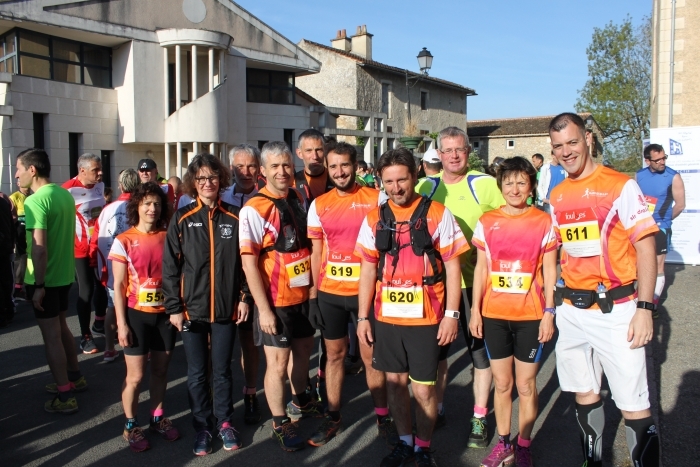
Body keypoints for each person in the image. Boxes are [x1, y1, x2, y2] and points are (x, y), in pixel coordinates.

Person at [548, 112, 659, 467]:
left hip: (616, 310)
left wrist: (645, 308)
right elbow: (558, 251)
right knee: (585, 392)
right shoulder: (557, 195)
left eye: (572, 142)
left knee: (633, 403)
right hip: (572, 310)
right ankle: (592, 462)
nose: (566, 151)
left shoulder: (619, 185)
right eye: (558, 146)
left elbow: (646, 246)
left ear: (588, 139)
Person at [356, 148, 468, 467]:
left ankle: (423, 448)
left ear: (415, 175)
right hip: (387, 317)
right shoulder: (374, 218)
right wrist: (363, 317)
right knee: (394, 385)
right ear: (381, 181)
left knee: (423, 391)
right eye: (389, 182)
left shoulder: (438, 214)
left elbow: (453, 266)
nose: (396, 188)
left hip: (427, 317)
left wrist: (452, 315)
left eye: (402, 180)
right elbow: (367, 269)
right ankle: (405, 443)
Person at [415, 126, 505, 446]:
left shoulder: (484, 184)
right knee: (437, 353)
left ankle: (479, 417)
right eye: (448, 150)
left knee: (479, 353)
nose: (454, 156)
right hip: (436, 286)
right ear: (438, 155)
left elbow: (506, 223)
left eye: (460, 150)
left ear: (468, 152)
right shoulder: (425, 186)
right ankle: (437, 409)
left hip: (474, 284)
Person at [306, 140, 396, 447]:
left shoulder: (376, 198)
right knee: (334, 356)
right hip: (330, 293)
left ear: (355, 166)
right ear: (327, 170)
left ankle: (383, 417)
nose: (339, 172)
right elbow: (316, 252)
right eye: (333, 166)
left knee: (371, 358)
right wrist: (313, 295)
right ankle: (332, 417)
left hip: (366, 294)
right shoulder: (319, 204)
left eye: (345, 165)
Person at [469, 156, 557, 467]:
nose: (515, 189)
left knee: (526, 385)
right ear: (501, 186)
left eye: (521, 182)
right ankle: (504, 444)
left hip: (530, 317)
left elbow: (550, 270)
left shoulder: (543, 221)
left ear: (531, 186)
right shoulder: (487, 221)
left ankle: (523, 445)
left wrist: (550, 312)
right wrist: (475, 311)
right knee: (502, 383)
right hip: (494, 315)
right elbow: (481, 269)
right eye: (508, 183)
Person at [163, 153, 249, 456]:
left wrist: (244, 297)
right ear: (193, 182)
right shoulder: (182, 218)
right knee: (198, 372)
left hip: (226, 308)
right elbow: (170, 267)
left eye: (212, 177)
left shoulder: (236, 216)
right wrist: (174, 307)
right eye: (201, 178)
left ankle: (225, 422)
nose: (207, 182)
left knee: (223, 370)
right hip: (191, 310)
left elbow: (246, 263)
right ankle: (202, 426)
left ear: (221, 179)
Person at [240, 141, 319, 452]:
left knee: (304, 352)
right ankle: (279, 421)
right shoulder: (254, 209)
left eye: (286, 165)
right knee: (277, 363)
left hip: (302, 295)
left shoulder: (298, 196)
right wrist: (264, 310)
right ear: (263, 171)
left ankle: (301, 400)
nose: (282, 171)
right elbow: (248, 263)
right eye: (275, 166)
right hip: (276, 301)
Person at [110, 182, 179, 452]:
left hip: (164, 316)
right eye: (147, 203)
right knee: (136, 377)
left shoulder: (168, 236)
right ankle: (131, 424)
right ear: (137, 207)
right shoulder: (124, 240)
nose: (152, 209)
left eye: (157, 204)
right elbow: (118, 286)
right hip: (136, 316)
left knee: (161, 370)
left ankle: (157, 417)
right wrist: (121, 324)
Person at [17, 148, 86, 413]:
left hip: (44, 279)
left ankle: (65, 394)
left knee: (51, 337)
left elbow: (39, 248)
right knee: (61, 328)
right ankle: (75, 377)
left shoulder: (35, 201)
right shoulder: (63, 194)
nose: (17, 175)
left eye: (19, 169)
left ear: (32, 170)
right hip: (64, 275)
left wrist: (39, 286)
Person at [226, 143, 265, 425]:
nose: (246, 172)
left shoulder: (264, 198)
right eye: (240, 166)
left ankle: (250, 392)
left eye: (251, 165)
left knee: (249, 343)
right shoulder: (220, 197)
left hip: (253, 282)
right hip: (223, 282)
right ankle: (219, 397)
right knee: (217, 344)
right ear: (231, 168)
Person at [89, 169, 140, 362]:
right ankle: (139, 348)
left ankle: (110, 348)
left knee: (112, 307)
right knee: (136, 308)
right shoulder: (141, 207)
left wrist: (94, 263)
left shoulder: (107, 209)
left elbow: (95, 239)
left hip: (111, 267)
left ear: (120, 186)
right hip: (136, 268)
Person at [63, 153, 106, 354]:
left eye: (100, 169)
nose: (100, 173)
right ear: (82, 170)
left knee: (103, 286)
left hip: (99, 246)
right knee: (86, 291)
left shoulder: (100, 186)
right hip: (80, 250)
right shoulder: (68, 190)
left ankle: (99, 323)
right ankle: (85, 336)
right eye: (96, 170)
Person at [636, 144, 686, 307]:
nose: (662, 162)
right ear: (647, 161)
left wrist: (664, 221)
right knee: (640, 264)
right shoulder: (639, 175)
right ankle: (639, 298)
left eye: (664, 158)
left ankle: (653, 304)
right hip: (641, 227)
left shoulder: (673, 177)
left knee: (657, 266)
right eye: (657, 160)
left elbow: (680, 205)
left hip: (660, 227)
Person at [294, 129, 334, 208]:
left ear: (325, 150)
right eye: (308, 151)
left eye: (318, 150)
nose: (315, 156)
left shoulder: (337, 179)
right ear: (299, 153)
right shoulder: (292, 182)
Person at [9, 179, 30, 301]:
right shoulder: (14, 197)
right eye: (21, 181)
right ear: (17, 184)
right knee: (23, 258)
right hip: (20, 232)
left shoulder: (32, 196)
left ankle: (29, 287)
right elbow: (12, 218)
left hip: (32, 232)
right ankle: (18, 289)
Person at [0, 193, 14, 328]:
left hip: (3, 245)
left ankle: (4, 314)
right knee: (5, 279)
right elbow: (11, 225)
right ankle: (8, 310)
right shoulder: (3, 202)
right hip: (5, 246)